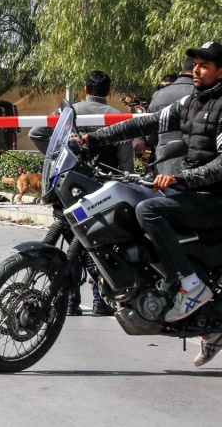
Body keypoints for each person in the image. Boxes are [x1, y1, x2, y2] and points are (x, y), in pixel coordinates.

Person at [79, 42, 222, 340]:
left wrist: (180, 179)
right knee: (137, 200)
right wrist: (91, 139)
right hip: (195, 194)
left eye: (204, 66)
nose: (196, 70)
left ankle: (190, 285)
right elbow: (143, 124)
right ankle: (201, 322)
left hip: (220, 199)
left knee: (149, 210)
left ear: (221, 72)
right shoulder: (192, 102)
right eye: (195, 64)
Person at [30, 70, 132, 316]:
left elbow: (36, 133)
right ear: (108, 92)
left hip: (69, 186)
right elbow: (125, 160)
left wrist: (61, 155)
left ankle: (70, 300)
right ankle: (100, 300)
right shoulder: (118, 117)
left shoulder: (67, 113)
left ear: (85, 90)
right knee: (99, 245)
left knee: (71, 241)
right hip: (103, 191)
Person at [146, 58, 196, 174]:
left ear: (181, 73)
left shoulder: (158, 95)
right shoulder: (206, 94)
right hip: (196, 166)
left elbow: (150, 136)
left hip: (164, 166)